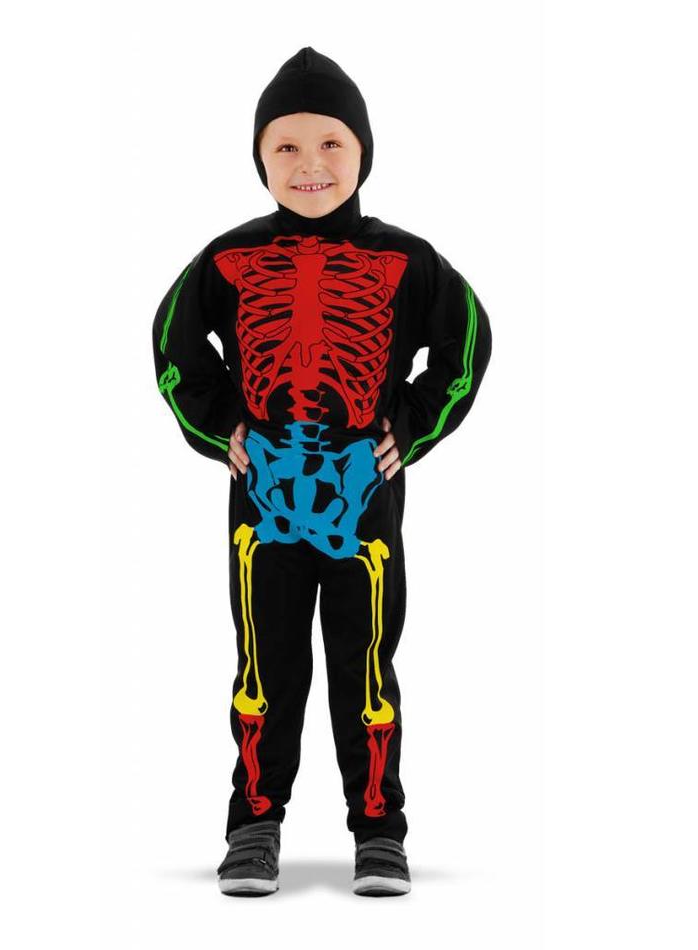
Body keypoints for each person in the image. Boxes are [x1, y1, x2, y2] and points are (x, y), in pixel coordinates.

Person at [151, 46, 492, 897]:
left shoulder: (408, 260)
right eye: (287, 147)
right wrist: (219, 427)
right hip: (262, 499)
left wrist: (410, 428)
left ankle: (378, 829)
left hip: (362, 500)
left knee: (365, 664)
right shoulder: (227, 258)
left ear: (364, 150)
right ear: (261, 158)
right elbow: (172, 346)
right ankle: (253, 824)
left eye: (332, 143)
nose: (310, 165)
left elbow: (468, 342)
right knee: (264, 665)